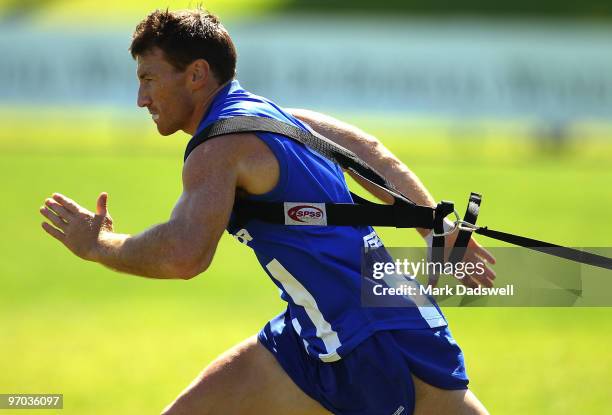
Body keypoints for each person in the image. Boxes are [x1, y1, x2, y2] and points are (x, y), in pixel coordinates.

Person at [39, 9, 495, 415]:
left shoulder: (218, 148)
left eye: (150, 79)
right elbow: (368, 150)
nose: (141, 98)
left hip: (370, 338)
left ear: (196, 74)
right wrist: (437, 227)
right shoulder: (275, 113)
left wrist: (100, 246)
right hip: (313, 331)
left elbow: (185, 255)